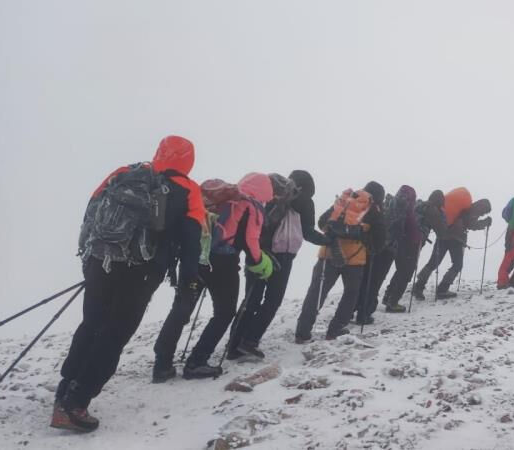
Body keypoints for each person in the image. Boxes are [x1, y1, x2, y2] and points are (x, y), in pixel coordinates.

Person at [54, 136, 206, 432]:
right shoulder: (189, 190)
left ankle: (65, 389)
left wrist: (89, 256)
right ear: (188, 160)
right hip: (143, 271)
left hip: (100, 260)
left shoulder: (125, 173)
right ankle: (76, 403)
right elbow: (191, 240)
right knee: (114, 334)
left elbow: (92, 210)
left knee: (91, 324)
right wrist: (189, 278)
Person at [153, 172, 275, 381]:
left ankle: (162, 364)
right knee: (224, 313)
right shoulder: (250, 205)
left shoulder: (216, 199)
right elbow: (250, 242)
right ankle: (197, 362)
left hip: (194, 257)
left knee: (181, 309)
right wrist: (261, 263)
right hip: (222, 264)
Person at [227, 171, 330, 360]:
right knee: (272, 300)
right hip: (282, 255)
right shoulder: (305, 201)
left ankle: (233, 344)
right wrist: (327, 240)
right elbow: (307, 232)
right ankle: (249, 341)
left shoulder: (271, 192)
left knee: (251, 299)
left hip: (257, 250)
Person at [295, 185, 385, 342]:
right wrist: (364, 239)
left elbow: (323, 222)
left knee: (316, 293)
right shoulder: (374, 210)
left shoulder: (345, 202)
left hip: (328, 255)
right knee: (350, 295)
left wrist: (336, 233)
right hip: (355, 261)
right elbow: (380, 241)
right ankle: (334, 330)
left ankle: (302, 332)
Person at [415, 188, 492, 299]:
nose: (484, 213)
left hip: (444, 234)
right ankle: (442, 290)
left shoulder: (466, 207)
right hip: (455, 239)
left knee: (433, 262)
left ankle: (418, 287)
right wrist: (485, 222)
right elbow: (471, 224)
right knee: (457, 264)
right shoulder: (474, 210)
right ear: (483, 207)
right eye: (485, 211)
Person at [377, 186, 422, 312]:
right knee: (406, 273)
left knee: (400, 271)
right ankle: (393, 302)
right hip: (407, 245)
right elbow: (410, 227)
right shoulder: (405, 207)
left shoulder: (394, 204)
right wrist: (418, 236)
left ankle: (388, 297)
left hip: (398, 245)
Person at [353, 181, 387, 325]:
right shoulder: (375, 209)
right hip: (367, 251)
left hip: (347, 250)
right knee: (368, 283)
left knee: (354, 284)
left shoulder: (352, 203)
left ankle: (348, 311)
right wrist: (377, 247)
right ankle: (363, 314)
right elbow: (380, 235)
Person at [409, 190, 448, 300]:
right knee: (409, 266)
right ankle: (417, 288)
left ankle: (390, 295)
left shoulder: (421, 205)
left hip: (408, 238)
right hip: (418, 240)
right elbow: (441, 230)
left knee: (405, 266)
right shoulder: (433, 210)